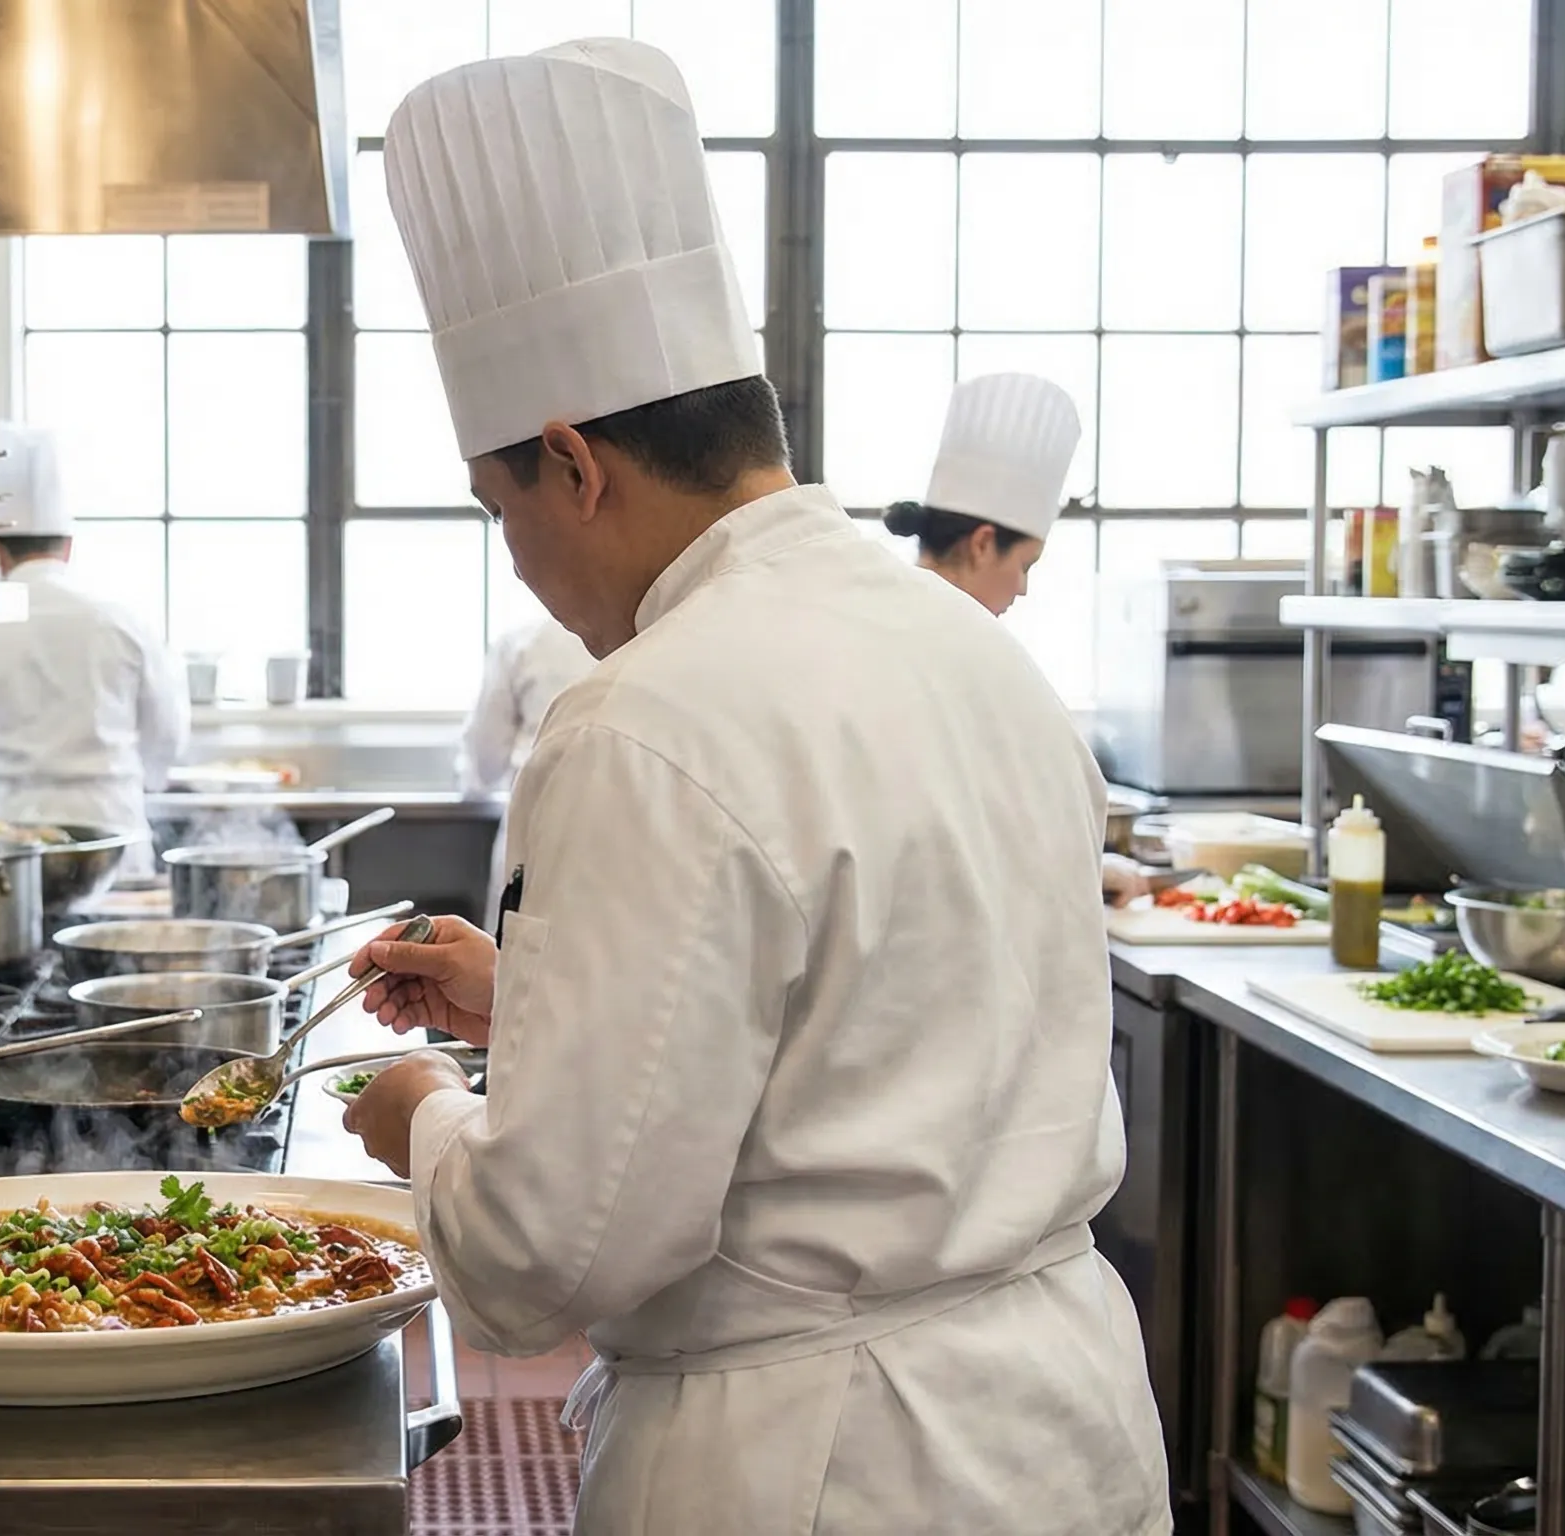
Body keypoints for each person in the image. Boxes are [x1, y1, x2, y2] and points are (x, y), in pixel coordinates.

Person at [340, 38, 1168, 1534]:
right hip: (1061, 1430)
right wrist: (542, 999)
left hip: (821, 1463)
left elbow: (549, 1261)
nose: (516, 559)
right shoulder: (970, 653)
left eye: (500, 510)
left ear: (573, 463)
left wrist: (414, 1112)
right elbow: (868, 1035)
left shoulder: (640, 720)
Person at [886, 373, 1160, 906]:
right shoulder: (951, 648)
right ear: (984, 544)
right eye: (1026, 564)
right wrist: (1074, 866)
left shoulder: (899, 621)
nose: (1024, 588)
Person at [0, 422, 189, 844]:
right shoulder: (124, 622)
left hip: (0, 838)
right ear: (68, 546)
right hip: (110, 835)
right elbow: (167, 741)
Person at [457, 618, 594, 922]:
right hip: (619, 842)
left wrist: (470, 784)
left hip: (534, 832)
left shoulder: (523, 643)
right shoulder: (655, 642)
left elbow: (486, 763)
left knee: (514, 958)